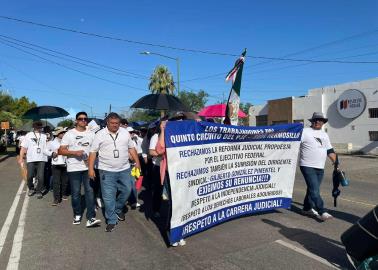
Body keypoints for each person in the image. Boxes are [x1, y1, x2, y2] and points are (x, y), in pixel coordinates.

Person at [88, 112, 141, 232]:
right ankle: (111, 219)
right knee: (108, 196)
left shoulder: (124, 132)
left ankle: (117, 209)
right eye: (112, 123)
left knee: (127, 190)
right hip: (106, 171)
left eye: (117, 123)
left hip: (124, 169)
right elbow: (93, 152)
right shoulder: (100, 135)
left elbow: (131, 148)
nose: (114, 125)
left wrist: (137, 162)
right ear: (107, 122)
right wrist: (91, 169)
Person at [59, 112, 101, 228]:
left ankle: (91, 217)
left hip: (87, 168)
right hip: (73, 168)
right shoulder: (69, 134)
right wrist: (74, 152)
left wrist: (91, 161)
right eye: (81, 119)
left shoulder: (92, 134)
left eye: (85, 119)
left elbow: (96, 150)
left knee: (89, 191)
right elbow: (61, 151)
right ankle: (77, 214)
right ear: (76, 121)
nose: (83, 120)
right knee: (76, 193)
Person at [299, 112, 339, 221]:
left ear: (323, 122)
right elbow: (293, 143)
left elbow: (329, 150)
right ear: (312, 121)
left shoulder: (324, 134)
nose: (317, 122)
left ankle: (306, 209)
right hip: (307, 165)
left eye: (320, 120)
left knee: (312, 189)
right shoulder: (304, 132)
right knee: (315, 190)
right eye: (315, 120)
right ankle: (321, 211)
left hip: (320, 167)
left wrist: (336, 164)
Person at [18, 121, 47, 199]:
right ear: (34, 127)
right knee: (30, 176)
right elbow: (23, 147)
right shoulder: (28, 135)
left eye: (40, 126)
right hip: (31, 159)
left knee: (40, 177)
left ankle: (38, 191)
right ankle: (31, 188)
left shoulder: (44, 136)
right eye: (37, 126)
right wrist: (21, 158)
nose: (38, 128)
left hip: (42, 158)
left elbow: (47, 147)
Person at [45, 127, 68, 206]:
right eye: (62, 133)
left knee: (65, 181)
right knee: (56, 182)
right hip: (56, 163)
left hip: (66, 163)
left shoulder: (67, 142)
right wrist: (52, 154)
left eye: (64, 133)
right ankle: (56, 198)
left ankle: (64, 193)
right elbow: (45, 150)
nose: (63, 134)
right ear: (58, 134)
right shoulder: (51, 142)